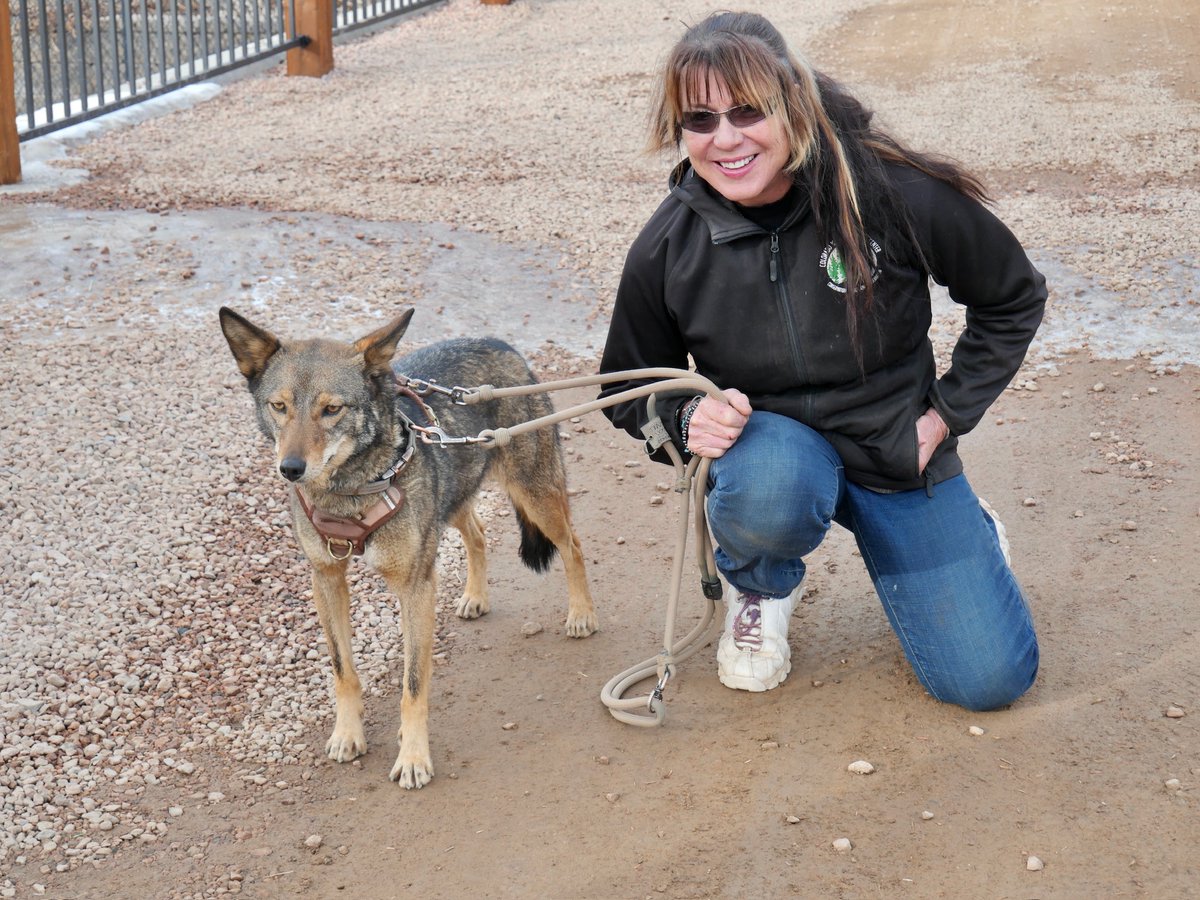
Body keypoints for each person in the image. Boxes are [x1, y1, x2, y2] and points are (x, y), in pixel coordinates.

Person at [597, 11, 1044, 709]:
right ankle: (760, 582)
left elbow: (1012, 296)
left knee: (986, 681)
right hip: (773, 461)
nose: (727, 139)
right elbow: (628, 387)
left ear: (794, 106)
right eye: (701, 120)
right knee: (771, 481)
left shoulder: (892, 195)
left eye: (749, 112)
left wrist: (948, 414)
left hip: (898, 451)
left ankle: (967, 527)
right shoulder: (666, 246)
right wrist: (686, 421)